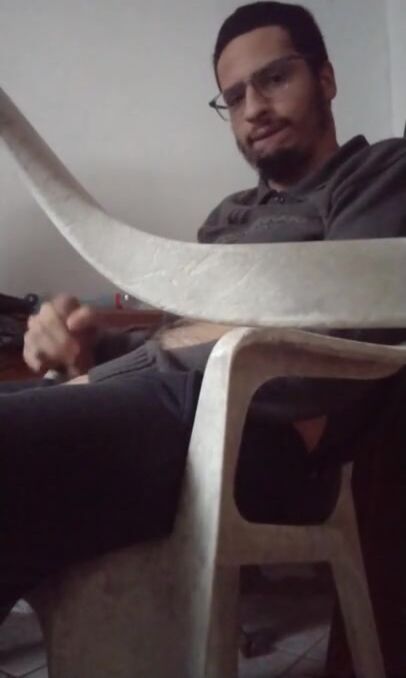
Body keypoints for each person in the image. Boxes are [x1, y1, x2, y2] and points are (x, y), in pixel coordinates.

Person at [1, 0, 405, 619]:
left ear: (325, 78)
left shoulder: (383, 172)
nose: (253, 108)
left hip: (266, 441)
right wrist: (87, 349)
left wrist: (110, 374)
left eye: (275, 78)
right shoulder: (227, 217)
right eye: (234, 96)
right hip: (178, 407)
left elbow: (315, 358)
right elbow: (181, 337)